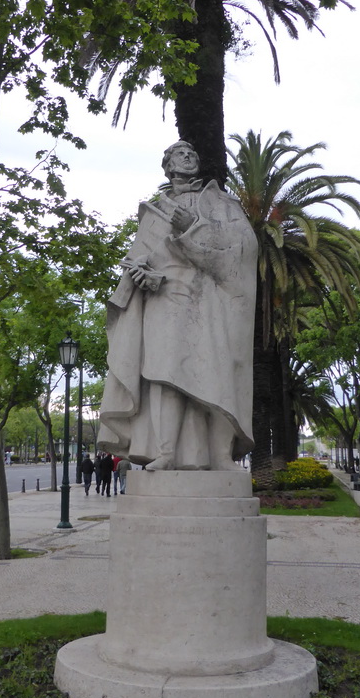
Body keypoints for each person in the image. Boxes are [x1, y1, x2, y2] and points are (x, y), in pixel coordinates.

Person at [98, 141, 257, 471]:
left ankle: (220, 456)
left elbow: (244, 245)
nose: (188, 156)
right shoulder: (153, 211)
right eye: (180, 153)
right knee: (164, 374)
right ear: (167, 166)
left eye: (192, 153)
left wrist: (194, 226)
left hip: (206, 299)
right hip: (161, 299)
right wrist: (140, 275)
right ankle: (166, 452)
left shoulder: (219, 203)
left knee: (208, 374)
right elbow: (135, 260)